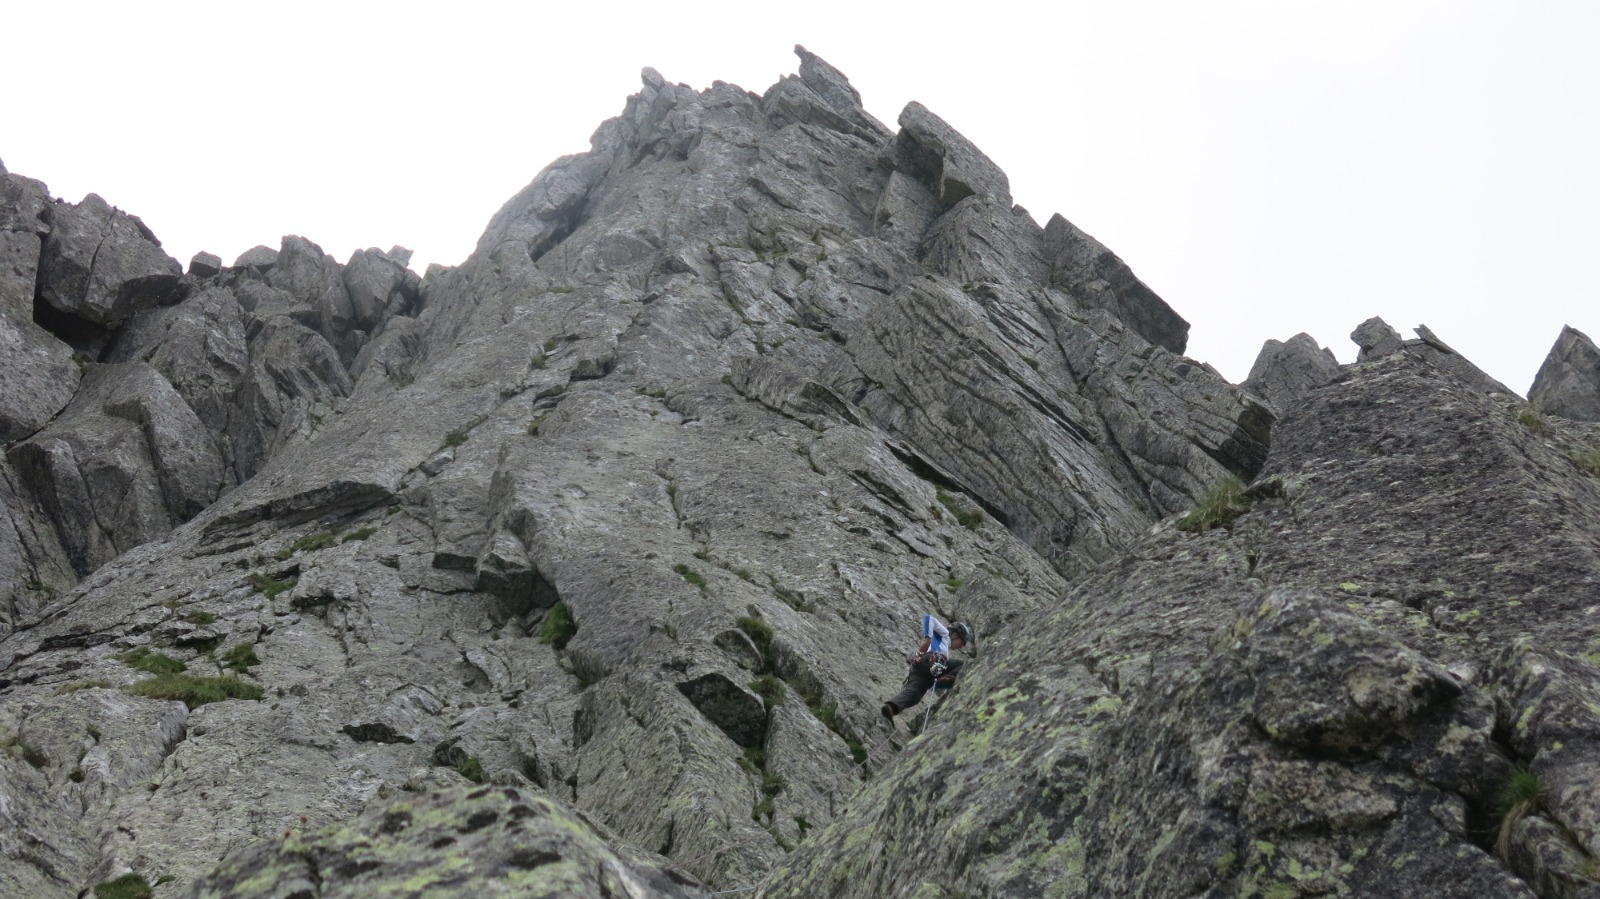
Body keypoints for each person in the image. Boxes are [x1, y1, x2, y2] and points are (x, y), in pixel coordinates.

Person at [881, 614, 973, 720]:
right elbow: (929, 618)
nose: (960, 647)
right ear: (955, 635)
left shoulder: (945, 647)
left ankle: (891, 707)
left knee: (914, 694)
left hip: (920, 670)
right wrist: (927, 639)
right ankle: (945, 678)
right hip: (932, 658)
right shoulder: (945, 634)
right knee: (963, 665)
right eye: (961, 643)